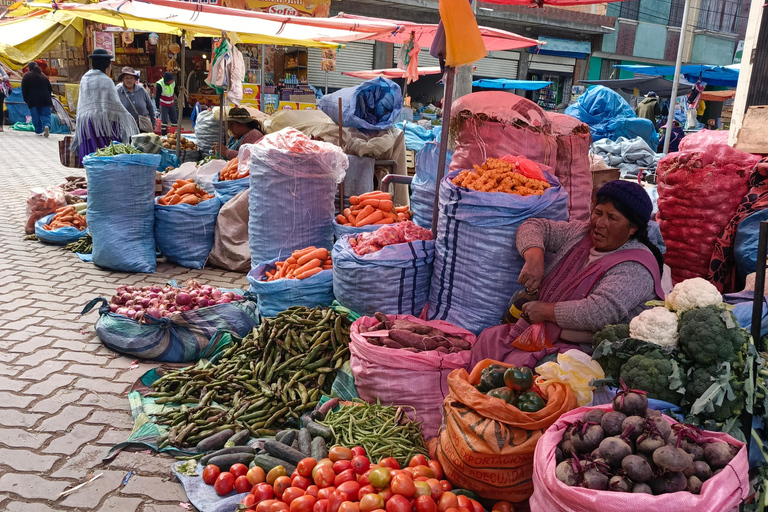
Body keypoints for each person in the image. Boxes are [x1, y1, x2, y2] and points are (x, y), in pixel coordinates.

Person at [469, 180, 665, 369]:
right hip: (546, 330)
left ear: (632, 228)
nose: (600, 224)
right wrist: (534, 256)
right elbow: (534, 226)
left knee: (538, 371)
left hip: (589, 347)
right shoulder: (580, 233)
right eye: (598, 213)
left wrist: (545, 311)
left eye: (612, 218)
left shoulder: (635, 267)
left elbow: (597, 312)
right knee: (489, 339)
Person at [70, 49, 138, 166]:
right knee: (107, 157)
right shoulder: (107, 81)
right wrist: (129, 118)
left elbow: (81, 103)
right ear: (107, 65)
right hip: (105, 125)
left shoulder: (85, 79)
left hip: (87, 124)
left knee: (91, 157)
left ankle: (92, 179)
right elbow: (116, 105)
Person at [116, 66, 155, 133]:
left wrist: (154, 122)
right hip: (126, 128)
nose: (129, 80)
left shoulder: (141, 90)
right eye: (126, 78)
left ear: (134, 79)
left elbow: (150, 107)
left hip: (143, 126)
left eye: (131, 78)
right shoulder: (118, 92)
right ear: (123, 79)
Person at [21, 62, 53, 137]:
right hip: (46, 99)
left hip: (33, 100)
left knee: (36, 116)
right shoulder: (44, 76)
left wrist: (26, 99)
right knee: (46, 115)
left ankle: (39, 131)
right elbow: (50, 89)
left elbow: (24, 90)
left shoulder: (26, 76)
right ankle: (46, 126)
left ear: (29, 68)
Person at [0, 65, 11, 132]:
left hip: (0, 91)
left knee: (0, 108)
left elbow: (6, 76)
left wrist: (2, 78)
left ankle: (0, 125)